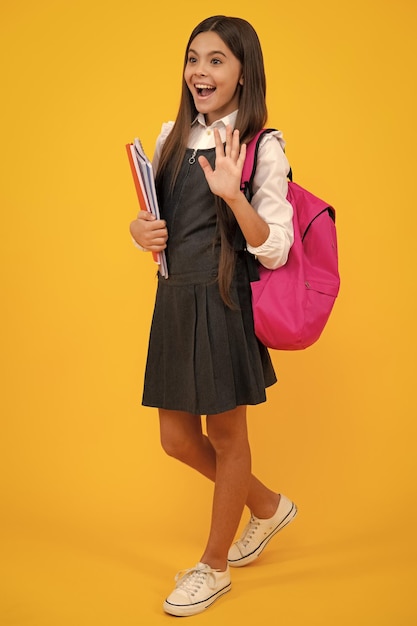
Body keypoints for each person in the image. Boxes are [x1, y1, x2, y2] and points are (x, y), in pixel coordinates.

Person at [130, 15, 297, 617]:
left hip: (225, 301)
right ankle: (270, 506)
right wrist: (139, 231)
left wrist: (233, 195)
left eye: (217, 60)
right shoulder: (170, 134)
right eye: (193, 58)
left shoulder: (261, 147)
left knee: (228, 438)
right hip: (174, 301)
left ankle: (214, 565)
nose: (200, 71)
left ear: (243, 73)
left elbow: (275, 246)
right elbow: (159, 228)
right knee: (176, 438)